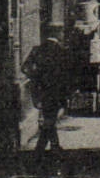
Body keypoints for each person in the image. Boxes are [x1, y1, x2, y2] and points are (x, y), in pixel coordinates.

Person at [22, 32, 74, 168]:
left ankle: (48, 149)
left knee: (48, 120)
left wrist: (36, 79)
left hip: (42, 92)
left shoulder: (37, 50)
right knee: (49, 121)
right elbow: (69, 75)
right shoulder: (62, 52)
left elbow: (25, 68)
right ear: (58, 37)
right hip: (56, 93)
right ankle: (44, 151)